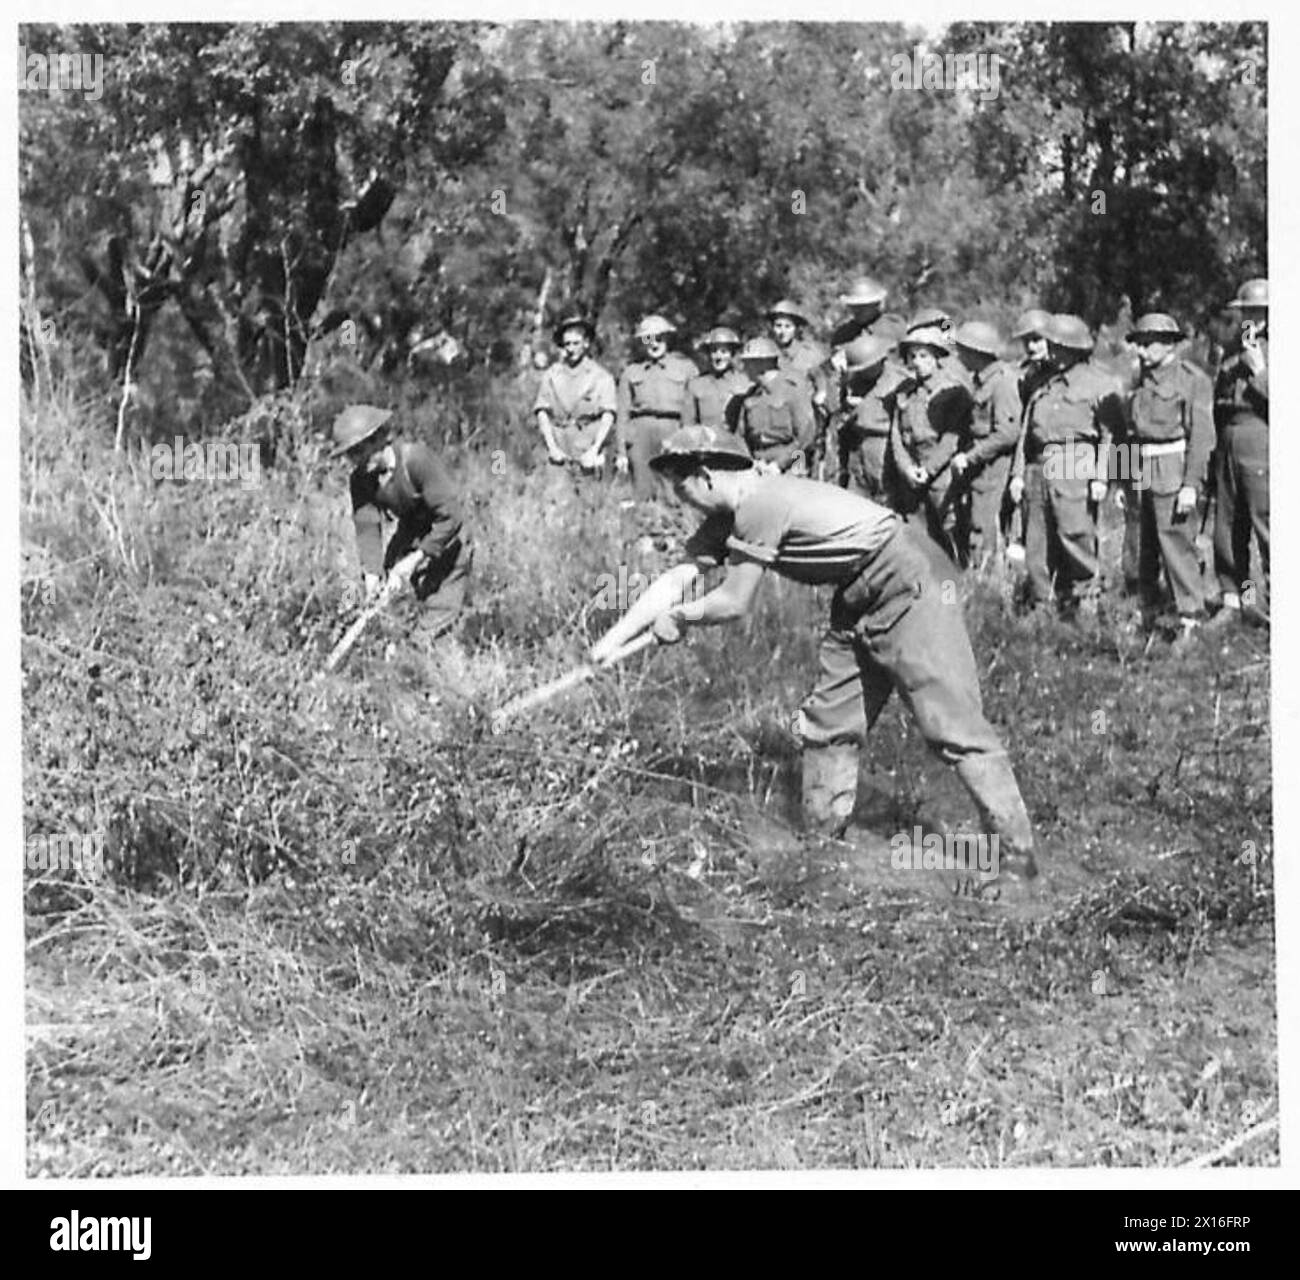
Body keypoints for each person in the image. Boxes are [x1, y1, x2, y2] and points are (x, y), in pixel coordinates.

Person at [589, 424, 1039, 899]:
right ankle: (826, 844)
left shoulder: (760, 504)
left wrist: (683, 618)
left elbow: (734, 601)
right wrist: (610, 646)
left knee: (948, 720)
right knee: (830, 719)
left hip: (909, 575)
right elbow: (676, 578)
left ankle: (1016, 859)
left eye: (680, 487)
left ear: (703, 476)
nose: (680, 499)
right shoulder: (730, 516)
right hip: (858, 588)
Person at [1009, 315, 1124, 615]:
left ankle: (1085, 598)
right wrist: (1017, 474)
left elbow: (1111, 436)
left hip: (1075, 461)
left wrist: (1102, 477)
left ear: (1075, 349)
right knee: (1037, 539)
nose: (1053, 351)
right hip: (1040, 463)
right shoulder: (1038, 380)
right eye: (1052, 345)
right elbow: (1024, 431)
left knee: (1075, 534)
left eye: (1059, 346)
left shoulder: (1100, 382)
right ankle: (1041, 601)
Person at [331, 404, 471, 644]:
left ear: (376, 441)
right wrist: (372, 575)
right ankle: (390, 647)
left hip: (447, 536)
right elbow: (367, 528)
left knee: (436, 618)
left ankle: (434, 656)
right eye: (350, 455)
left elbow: (451, 517)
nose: (354, 461)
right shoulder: (361, 480)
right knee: (391, 606)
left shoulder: (416, 459)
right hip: (410, 533)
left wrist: (415, 560)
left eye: (357, 452)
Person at [1122, 313, 1215, 643]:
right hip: (1141, 469)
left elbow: (1202, 436)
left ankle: (1191, 617)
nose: (1142, 352)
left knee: (1176, 543)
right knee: (1141, 545)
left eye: (1148, 345)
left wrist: (1191, 484)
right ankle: (1147, 611)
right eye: (1139, 345)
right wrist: (1126, 479)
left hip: (1171, 467)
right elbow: (1131, 433)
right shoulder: (1139, 379)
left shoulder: (1192, 380)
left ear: (1169, 344)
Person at [1209, 278, 1269, 627]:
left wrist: (1259, 368)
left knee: (1267, 528)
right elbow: (1219, 401)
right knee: (1229, 529)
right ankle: (1238, 599)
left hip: (1262, 439)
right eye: (1246, 312)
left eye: (1257, 313)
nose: (1250, 319)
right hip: (1229, 440)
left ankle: (1276, 606)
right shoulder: (1234, 350)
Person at [887, 321, 973, 558]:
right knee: (916, 535)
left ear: (937, 358)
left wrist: (928, 469)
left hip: (940, 474)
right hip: (911, 474)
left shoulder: (952, 391)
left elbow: (951, 439)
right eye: (912, 355)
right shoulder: (904, 391)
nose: (917, 361)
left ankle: (956, 586)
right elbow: (896, 435)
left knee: (949, 533)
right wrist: (906, 469)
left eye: (924, 355)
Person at [948, 321, 1021, 569]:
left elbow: (1007, 433)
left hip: (993, 470)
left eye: (962, 350)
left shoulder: (1001, 382)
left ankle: (990, 587)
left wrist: (971, 456)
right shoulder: (981, 380)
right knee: (975, 527)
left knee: (986, 529)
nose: (958, 355)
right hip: (981, 470)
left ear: (975, 353)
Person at [616, 314, 695, 499]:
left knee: (674, 491)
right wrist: (621, 451)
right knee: (642, 491)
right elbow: (622, 414)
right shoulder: (631, 372)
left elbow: (691, 410)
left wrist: (688, 441)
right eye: (648, 339)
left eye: (659, 338)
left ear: (667, 339)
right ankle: (644, 525)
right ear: (642, 342)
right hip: (640, 435)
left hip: (673, 431)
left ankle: (675, 526)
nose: (654, 344)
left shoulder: (686, 368)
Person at [533, 314, 617, 475]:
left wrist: (595, 450)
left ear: (586, 344)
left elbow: (608, 416)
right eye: (567, 344)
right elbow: (542, 412)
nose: (571, 349)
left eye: (576, 343)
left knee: (591, 498)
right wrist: (552, 448)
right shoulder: (551, 375)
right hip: (559, 449)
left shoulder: (601, 377)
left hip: (588, 450)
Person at [728, 337, 817, 473]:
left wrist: (780, 465)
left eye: (748, 363)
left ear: (763, 363)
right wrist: (749, 463)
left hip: (792, 463)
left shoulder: (792, 391)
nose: (744, 368)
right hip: (757, 464)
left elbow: (806, 436)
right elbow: (740, 437)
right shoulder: (750, 397)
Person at [766, 298, 832, 470]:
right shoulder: (767, 353)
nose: (782, 331)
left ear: (796, 329)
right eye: (778, 326)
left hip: (803, 429)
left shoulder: (809, 354)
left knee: (798, 473)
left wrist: (820, 396)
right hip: (776, 427)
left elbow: (822, 383)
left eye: (787, 326)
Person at [836, 333, 900, 499]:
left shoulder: (898, 381)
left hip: (884, 448)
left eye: (865, 369)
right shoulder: (855, 380)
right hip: (857, 447)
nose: (862, 373)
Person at [685, 327, 751, 427]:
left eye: (724, 352)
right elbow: (688, 423)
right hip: (706, 440)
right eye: (714, 351)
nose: (718, 357)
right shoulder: (696, 384)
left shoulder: (744, 382)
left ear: (732, 354)